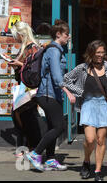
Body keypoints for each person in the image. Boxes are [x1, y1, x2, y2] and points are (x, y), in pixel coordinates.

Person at [62, 40, 107, 181]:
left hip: (104, 106)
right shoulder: (82, 68)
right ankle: (87, 160)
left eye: (102, 52)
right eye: (97, 52)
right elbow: (66, 79)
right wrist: (78, 91)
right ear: (91, 53)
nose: (100, 55)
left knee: (100, 140)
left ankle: (98, 170)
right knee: (90, 139)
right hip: (88, 105)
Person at [26, 19, 74, 171]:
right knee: (59, 127)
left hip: (52, 94)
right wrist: (68, 93)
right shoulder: (54, 50)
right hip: (48, 95)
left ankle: (50, 159)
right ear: (59, 34)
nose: (69, 37)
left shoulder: (57, 49)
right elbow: (56, 76)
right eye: (67, 34)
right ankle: (35, 153)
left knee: (53, 126)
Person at [9, 21, 42, 151]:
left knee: (23, 116)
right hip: (23, 86)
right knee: (23, 116)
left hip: (28, 88)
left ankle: (30, 147)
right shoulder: (25, 47)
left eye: (15, 35)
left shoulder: (32, 48)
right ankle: (28, 147)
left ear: (21, 34)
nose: (14, 38)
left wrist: (18, 64)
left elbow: (34, 70)